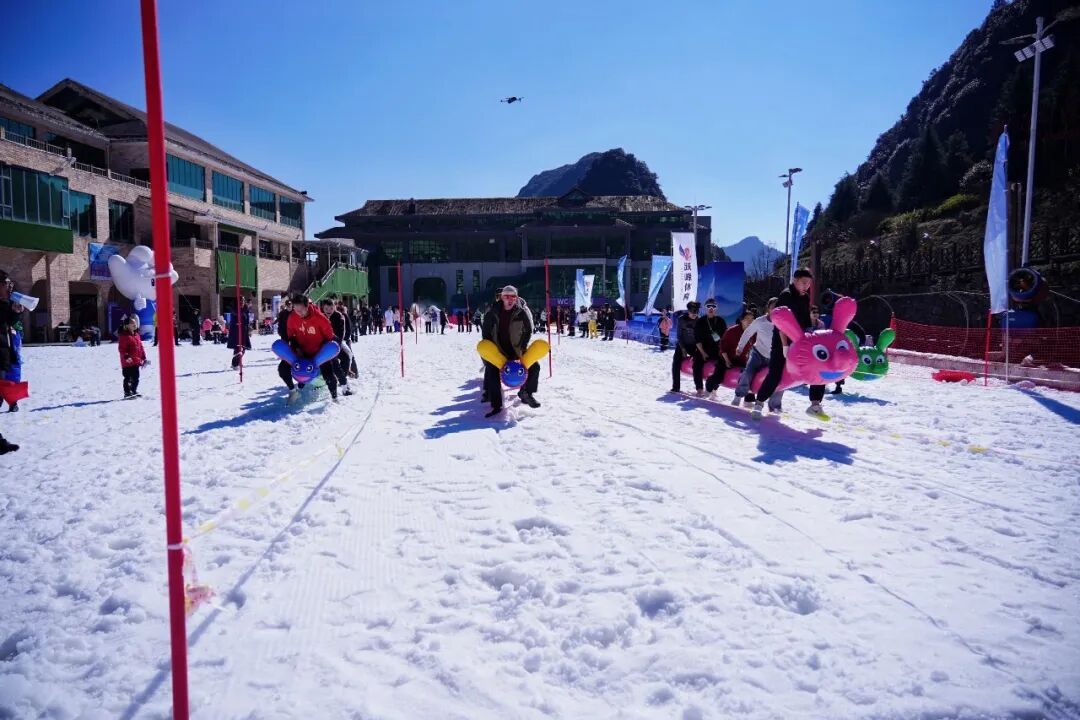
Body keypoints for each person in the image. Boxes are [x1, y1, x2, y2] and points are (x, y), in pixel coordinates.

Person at [752, 268, 825, 418]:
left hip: (800, 340)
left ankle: (815, 404)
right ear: (795, 280)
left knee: (817, 365)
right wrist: (785, 345)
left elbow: (806, 321)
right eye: (804, 283)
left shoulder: (805, 297)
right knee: (775, 373)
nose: (806, 286)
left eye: (809, 284)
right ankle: (759, 403)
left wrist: (811, 335)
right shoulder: (786, 295)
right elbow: (781, 322)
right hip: (781, 340)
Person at [481, 285, 540, 416]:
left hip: (516, 351)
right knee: (491, 370)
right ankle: (496, 404)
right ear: (502, 297)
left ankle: (526, 393)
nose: (510, 299)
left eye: (513, 296)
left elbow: (528, 330)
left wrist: (523, 346)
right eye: (506, 296)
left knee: (535, 366)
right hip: (499, 352)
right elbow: (486, 333)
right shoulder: (492, 313)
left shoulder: (521, 313)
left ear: (516, 298)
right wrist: (492, 350)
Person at [283, 294, 340, 403]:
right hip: (303, 351)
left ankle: (334, 397)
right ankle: (295, 392)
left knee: (328, 374)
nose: (298, 313)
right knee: (288, 369)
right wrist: (296, 348)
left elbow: (329, 337)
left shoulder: (320, 318)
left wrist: (325, 352)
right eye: (296, 310)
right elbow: (291, 336)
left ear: (307, 306)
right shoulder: (292, 317)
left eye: (301, 310)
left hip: (319, 352)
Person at [732, 298, 779, 409]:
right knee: (748, 371)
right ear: (768, 308)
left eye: (777, 307)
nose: (775, 310)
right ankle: (739, 395)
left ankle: (774, 405)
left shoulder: (782, 323)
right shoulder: (760, 321)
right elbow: (748, 333)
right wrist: (740, 347)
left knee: (777, 378)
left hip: (773, 357)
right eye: (773, 307)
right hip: (758, 353)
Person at [320, 299, 354, 396]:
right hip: (322, 346)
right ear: (323, 308)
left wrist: (336, 346)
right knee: (335, 365)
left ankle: (343, 378)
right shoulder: (320, 316)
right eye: (326, 308)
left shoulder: (339, 316)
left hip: (336, 344)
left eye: (331, 308)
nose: (329, 311)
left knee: (347, 357)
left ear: (335, 307)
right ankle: (344, 386)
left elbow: (341, 333)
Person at [697, 299, 729, 398]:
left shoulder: (721, 321)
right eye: (709, 306)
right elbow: (697, 340)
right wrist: (703, 353)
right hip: (703, 349)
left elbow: (725, 339)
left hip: (717, 350)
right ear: (705, 308)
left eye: (713, 306)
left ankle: (714, 388)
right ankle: (699, 388)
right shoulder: (700, 321)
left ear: (716, 309)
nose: (711, 308)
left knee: (721, 366)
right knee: (697, 364)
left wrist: (724, 354)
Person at [670, 302, 701, 394]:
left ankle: (699, 388)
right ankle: (676, 387)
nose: (694, 314)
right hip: (682, 344)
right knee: (676, 362)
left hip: (695, 346)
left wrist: (699, 350)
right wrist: (683, 349)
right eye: (692, 312)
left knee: (698, 363)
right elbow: (679, 336)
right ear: (688, 311)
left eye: (696, 312)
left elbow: (700, 337)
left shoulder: (699, 320)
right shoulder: (681, 319)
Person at [118, 314, 147, 398]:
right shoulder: (124, 336)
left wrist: (143, 356)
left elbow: (140, 347)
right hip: (128, 362)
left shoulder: (136, 335)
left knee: (136, 377)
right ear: (127, 325)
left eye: (135, 323)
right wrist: (126, 356)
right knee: (128, 377)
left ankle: (133, 390)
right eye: (132, 323)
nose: (135, 324)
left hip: (136, 361)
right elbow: (121, 348)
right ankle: (127, 392)